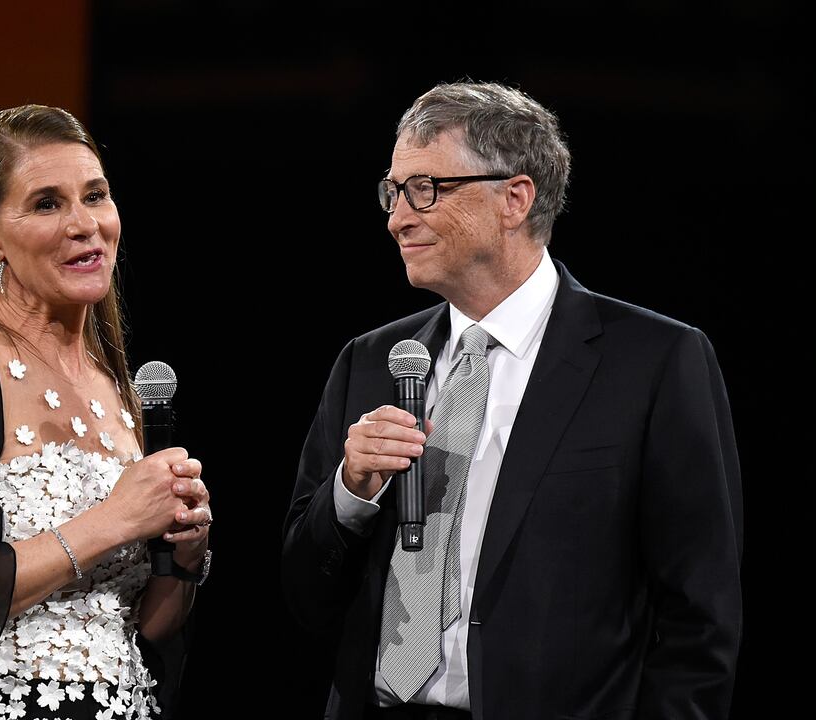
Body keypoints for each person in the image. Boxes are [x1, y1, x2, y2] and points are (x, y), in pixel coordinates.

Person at [282, 82, 742, 720]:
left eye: (426, 189)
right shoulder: (370, 362)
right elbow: (305, 598)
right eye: (393, 191)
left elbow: (701, 620)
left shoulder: (655, 363)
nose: (397, 217)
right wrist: (350, 493)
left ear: (515, 198)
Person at [0, 105, 213, 720]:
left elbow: (143, 630)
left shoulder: (117, 389)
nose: (85, 225)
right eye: (47, 203)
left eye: (95, 196)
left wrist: (180, 561)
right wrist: (114, 520)